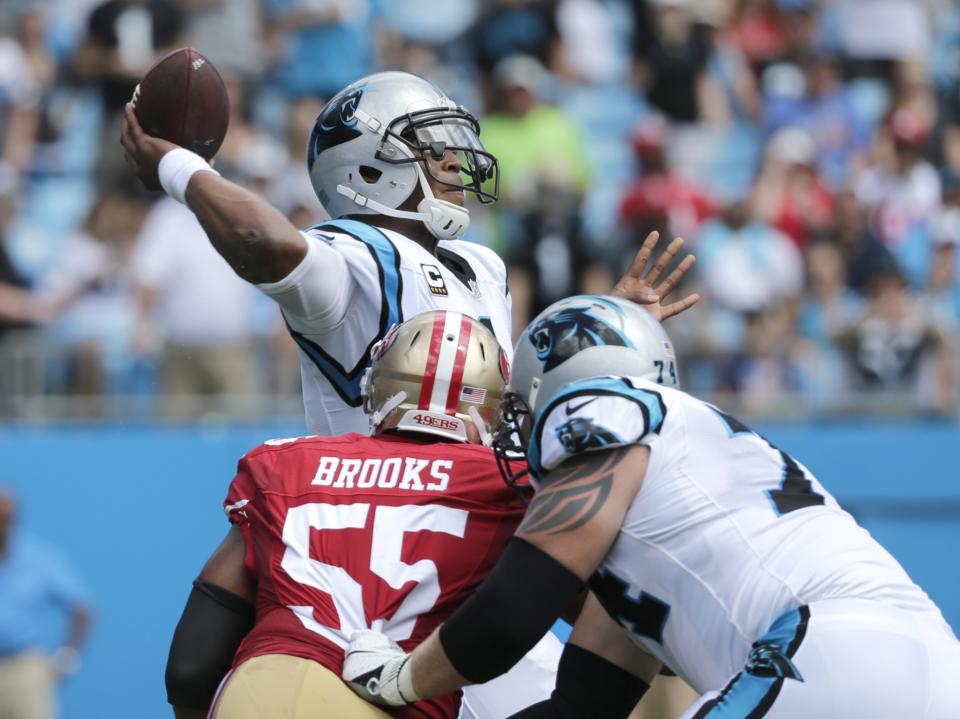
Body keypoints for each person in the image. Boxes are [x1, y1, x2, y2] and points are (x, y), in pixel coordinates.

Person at [122, 69, 698, 715]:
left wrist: (598, 331)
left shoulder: (481, 265)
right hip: (376, 580)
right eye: (433, 145)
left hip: (472, 543)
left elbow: (509, 407)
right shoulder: (355, 256)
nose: (456, 159)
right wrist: (179, 166)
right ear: (370, 168)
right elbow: (262, 243)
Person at [342, 294, 960, 718]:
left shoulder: (597, 406)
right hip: (931, 664)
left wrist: (403, 679)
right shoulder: (675, 506)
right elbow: (582, 708)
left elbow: (511, 612)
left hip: (823, 654)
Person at [166, 311, 552, 719]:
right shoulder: (513, 486)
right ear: (495, 408)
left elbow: (191, 668)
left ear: (378, 388)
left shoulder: (286, 464)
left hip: (263, 688)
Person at [0, 488, 93, 719]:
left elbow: (81, 610)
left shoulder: (38, 558)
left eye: (5, 518)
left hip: (24, 669)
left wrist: (66, 659)